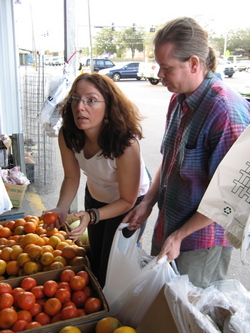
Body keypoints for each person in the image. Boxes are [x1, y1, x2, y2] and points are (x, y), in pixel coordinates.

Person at [122, 17, 250, 289]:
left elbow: (230, 198)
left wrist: (180, 235)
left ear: (193, 63)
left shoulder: (226, 111)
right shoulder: (179, 100)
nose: (159, 75)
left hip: (200, 243)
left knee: (190, 315)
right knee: (163, 303)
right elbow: (169, 163)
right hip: (170, 228)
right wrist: (147, 203)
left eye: (166, 68)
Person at [45, 73, 150, 287]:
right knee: (95, 256)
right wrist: (62, 208)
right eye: (75, 98)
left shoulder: (125, 143)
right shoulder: (69, 134)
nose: (80, 107)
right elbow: (71, 177)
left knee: (112, 267)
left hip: (128, 203)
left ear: (109, 107)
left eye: (91, 100)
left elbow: (127, 200)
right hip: (95, 195)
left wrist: (92, 215)